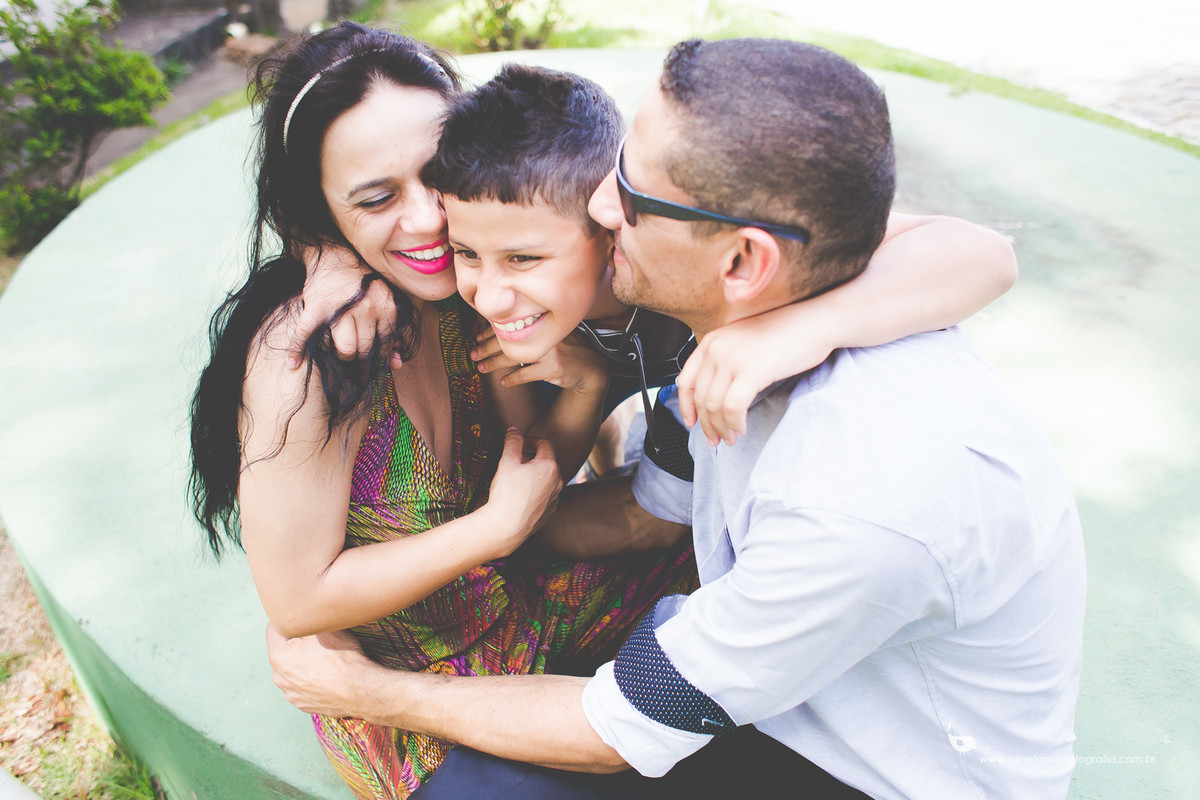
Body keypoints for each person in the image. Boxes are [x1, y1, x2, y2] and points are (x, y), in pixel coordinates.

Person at [267, 38, 1085, 800]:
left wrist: (369, 693)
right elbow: (647, 516)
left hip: (875, 771)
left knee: (485, 782)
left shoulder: (850, 500)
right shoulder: (748, 318)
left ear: (742, 260)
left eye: (630, 194)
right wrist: (327, 248)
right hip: (801, 688)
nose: (597, 202)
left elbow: (614, 728)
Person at [188, 23, 698, 800]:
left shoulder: (472, 286)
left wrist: (589, 386)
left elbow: (531, 465)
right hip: (403, 690)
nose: (429, 219)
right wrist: (492, 530)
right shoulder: (308, 356)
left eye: (435, 174)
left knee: (736, 582)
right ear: (319, 212)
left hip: (529, 599)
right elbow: (297, 602)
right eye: (376, 198)